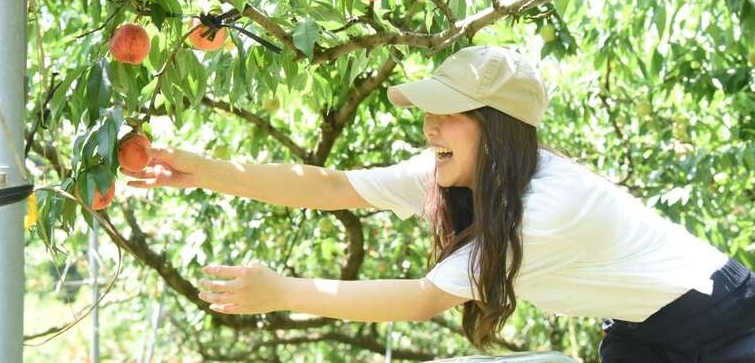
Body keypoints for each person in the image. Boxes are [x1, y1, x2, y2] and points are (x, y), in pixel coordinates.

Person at [121, 45, 755, 362]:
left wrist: (283, 291)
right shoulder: (454, 174)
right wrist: (204, 171)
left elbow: (424, 299)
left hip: (725, 324)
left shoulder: (547, 206)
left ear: (495, 127)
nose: (429, 126)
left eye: (448, 113)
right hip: (640, 332)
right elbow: (333, 187)